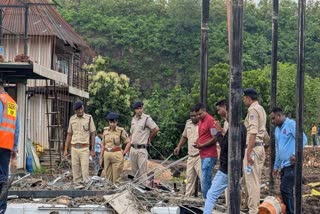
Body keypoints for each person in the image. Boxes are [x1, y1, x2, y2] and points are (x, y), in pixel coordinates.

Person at [204, 99, 246, 214]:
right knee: (233, 195)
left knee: (211, 195)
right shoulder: (240, 126)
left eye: (219, 110)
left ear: (225, 108)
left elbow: (224, 146)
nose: (218, 113)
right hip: (236, 168)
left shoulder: (234, 127)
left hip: (226, 168)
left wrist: (218, 132)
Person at [270, 107, 307, 214]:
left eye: (273, 119)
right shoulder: (277, 130)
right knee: (286, 191)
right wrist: (276, 167)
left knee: (285, 189)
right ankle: (290, 211)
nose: (272, 122)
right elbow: (278, 149)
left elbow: (303, 139)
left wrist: (296, 154)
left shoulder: (291, 124)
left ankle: (292, 211)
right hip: (284, 166)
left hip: (292, 165)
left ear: (279, 116)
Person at [242, 88, 268, 214]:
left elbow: (253, 131)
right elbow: (265, 132)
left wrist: (248, 152)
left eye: (244, 98)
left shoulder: (252, 110)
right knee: (253, 179)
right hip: (259, 147)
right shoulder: (261, 109)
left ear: (248, 98)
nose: (243, 100)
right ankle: (249, 206)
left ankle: (253, 210)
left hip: (253, 148)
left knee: (251, 181)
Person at [64, 100, 96, 183]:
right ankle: (77, 187)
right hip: (74, 148)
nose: (80, 111)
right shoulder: (72, 119)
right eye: (78, 110)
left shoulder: (89, 118)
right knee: (75, 171)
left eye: (81, 108)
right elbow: (69, 134)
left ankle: (86, 190)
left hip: (84, 149)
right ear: (75, 111)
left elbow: (93, 134)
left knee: (85, 171)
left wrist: (92, 149)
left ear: (83, 107)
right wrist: (66, 149)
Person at [0, 80, 20, 213]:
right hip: (6, 146)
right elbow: (16, 129)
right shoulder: (12, 103)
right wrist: (14, 147)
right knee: (3, 178)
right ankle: (2, 208)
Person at [173, 106, 201, 197]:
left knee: (203, 178)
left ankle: (207, 199)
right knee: (189, 178)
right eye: (191, 116)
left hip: (200, 155)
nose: (193, 118)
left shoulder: (202, 124)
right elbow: (184, 136)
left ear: (198, 115)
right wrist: (179, 146)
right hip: (190, 155)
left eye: (194, 116)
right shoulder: (188, 123)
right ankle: (188, 197)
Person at [129, 101, 159, 182]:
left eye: (141, 108)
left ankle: (142, 191)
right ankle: (134, 190)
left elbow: (155, 129)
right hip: (133, 148)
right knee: (133, 173)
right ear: (135, 110)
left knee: (142, 173)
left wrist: (149, 139)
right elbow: (131, 134)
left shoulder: (146, 119)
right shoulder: (133, 119)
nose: (139, 110)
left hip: (142, 149)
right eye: (138, 109)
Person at [193, 103, 217, 199]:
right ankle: (208, 200)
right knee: (205, 178)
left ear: (204, 110)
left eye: (200, 114)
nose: (198, 116)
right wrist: (198, 141)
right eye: (197, 115)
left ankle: (207, 201)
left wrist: (202, 145)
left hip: (210, 155)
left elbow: (215, 138)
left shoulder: (210, 120)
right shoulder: (200, 121)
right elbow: (203, 135)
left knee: (205, 179)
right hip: (203, 154)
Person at [99, 112, 129, 185]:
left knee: (116, 178)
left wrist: (124, 152)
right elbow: (103, 144)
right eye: (110, 122)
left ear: (117, 122)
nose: (112, 124)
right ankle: (109, 193)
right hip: (106, 155)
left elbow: (128, 142)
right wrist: (100, 157)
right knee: (108, 178)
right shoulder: (105, 130)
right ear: (108, 122)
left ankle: (116, 193)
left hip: (116, 155)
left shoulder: (121, 131)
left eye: (114, 122)